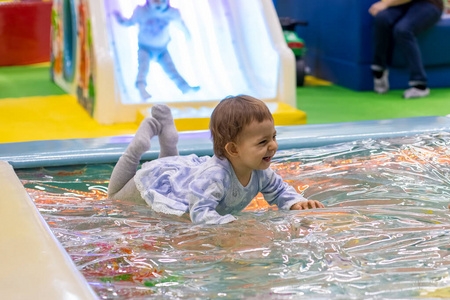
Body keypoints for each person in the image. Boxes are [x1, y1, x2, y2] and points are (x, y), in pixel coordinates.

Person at [108, 95, 325, 225]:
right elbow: (200, 213)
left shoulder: (260, 171)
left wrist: (297, 202)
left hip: (182, 175)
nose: (273, 146)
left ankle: (168, 138)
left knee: (173, 174)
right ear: (233, 149)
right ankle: (137, 148)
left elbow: (280, 191)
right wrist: (231, 226)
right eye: (263, 142)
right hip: (150, 181)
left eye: (274, 137)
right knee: (114, 196)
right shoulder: (215, 177)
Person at [114, 0, 199, 100]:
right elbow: (129, 22)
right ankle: (142, 89)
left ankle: (184, 88)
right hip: (145, 48)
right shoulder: (141, 11)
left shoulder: (172, 13)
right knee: (143, 68)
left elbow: (180, 25)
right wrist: (118, 17)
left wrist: (187, 34)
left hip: (162, 49)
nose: (158, 4)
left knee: (171, 69)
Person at [369, 0, 443, 99]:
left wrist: (386, 3)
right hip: (401, 4)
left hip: (429, 4)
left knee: (403, 29)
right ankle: (379, 70)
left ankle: (419, 84)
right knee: (382, 18)